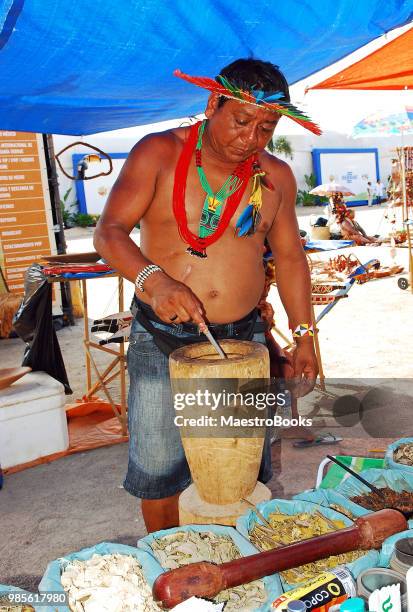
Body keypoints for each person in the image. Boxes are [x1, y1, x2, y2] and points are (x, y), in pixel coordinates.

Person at [94, 58, 319, 532]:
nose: (251, 139)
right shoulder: (159, 152)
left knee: (234, 468)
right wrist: (154, 281)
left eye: (265, 127)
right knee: (160, 469)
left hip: (242, 341)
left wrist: (304, 337)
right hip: (161, 337)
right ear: (212, 102)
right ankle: (172, 566)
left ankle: (232, 565)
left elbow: (292, 259)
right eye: (241, 121)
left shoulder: (274, 175)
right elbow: (109, 233)